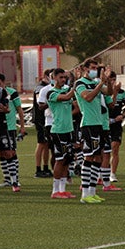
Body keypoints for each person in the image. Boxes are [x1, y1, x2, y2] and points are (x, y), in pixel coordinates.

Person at [74, 61, 111, 204]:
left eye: (96, 68)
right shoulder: (79, 83)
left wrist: (107, 82)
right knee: (89, 157)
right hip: (88, 124)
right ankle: (84, 194)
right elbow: (87, 97)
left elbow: (109, 93)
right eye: (93, 68)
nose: (95, 71)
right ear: (85, 69)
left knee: (98, 158)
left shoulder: (96, 82)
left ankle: (92, 191)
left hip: (99, 124)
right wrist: (101, 83)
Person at [45, 68, 76, 199]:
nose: (63, 80)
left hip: (68, 129)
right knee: (60, 159)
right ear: (54, 78)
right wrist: (76, 85)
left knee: (67, 159)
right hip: (58, 131)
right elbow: (68, 97)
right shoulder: (51, 93)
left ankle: (62, 190)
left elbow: (74, 104)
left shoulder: (65, 90)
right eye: (61, 77)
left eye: (65, 77)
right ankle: (55, 190)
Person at [106, 73, 125, 184]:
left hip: (116, 125)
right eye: (111, 80)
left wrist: (123, 116)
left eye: (114, 79)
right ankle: (102, 174)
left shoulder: (122, 93)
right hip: (105, 123)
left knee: (115, 147)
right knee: (103, 151)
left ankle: (112, 173)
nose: (113, 82)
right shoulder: (104, 92)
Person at [33, 70, 54, 179]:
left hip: (47, 118)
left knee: (46, 144)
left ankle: (46, 168)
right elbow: (39, 102)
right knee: (41, 143)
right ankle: (38, 169)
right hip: (41, 119)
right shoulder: (40, 87)